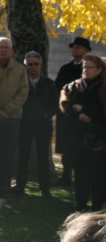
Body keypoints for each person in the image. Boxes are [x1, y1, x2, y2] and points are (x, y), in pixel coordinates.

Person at [0, 37, 28, 198]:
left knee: (8, 153)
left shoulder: (20, 69)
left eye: (6, 47)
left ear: (11, 50)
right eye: (0, 47)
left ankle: (4, 187)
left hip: (12, 117)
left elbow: (23, 93)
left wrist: (7, 110)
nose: (3, 50)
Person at [60, 53, 106, 211]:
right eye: (84, 67)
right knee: (80, 172)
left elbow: (102, 111)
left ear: (99, 69)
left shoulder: (103, 87)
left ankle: (98, 206)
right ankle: (80, 204)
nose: (86, 70)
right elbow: (65, 104)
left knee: (98, 174)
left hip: (99, 138)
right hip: (77, 137)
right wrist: (78, 114)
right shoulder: (74, 86)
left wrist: (85, 110)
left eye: (90, 67)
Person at [12, 51, 58, 197]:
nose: (33, 67)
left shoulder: (49, 84)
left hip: (43, 125)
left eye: (35, 64)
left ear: (41, 65)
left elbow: (55, 105)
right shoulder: (21, 83)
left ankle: (45, 189)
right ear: (26, 66)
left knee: (42, 156)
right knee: (23, 156)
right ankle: (20, 186)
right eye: (30, 64)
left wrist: (45, 115)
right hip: (25, 124)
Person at [55, 36, 91, 186]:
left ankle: (82, 179)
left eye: (79, 47)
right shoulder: (66, 68)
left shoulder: (89, 70)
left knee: (81, 148)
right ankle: (66, 177)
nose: (75, 49)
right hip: (66, 113)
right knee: (66, 147)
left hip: (82, 114)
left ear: (86, 50)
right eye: (73, 46)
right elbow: (57, 88)